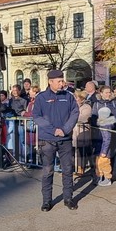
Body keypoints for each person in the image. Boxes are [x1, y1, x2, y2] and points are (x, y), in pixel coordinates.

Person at [31, 69, 79, 211]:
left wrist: (65, 129)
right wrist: (53, 130)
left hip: (65, 139)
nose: (61, 83)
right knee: (48, 171)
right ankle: (47, 201)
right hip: (47, 140)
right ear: (50, 82)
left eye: (62, 81)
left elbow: (75, 112)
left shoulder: (68, 96)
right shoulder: (41, 97)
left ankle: (68, 198)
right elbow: (37, 116)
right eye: (58, 81)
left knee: (67, 170)